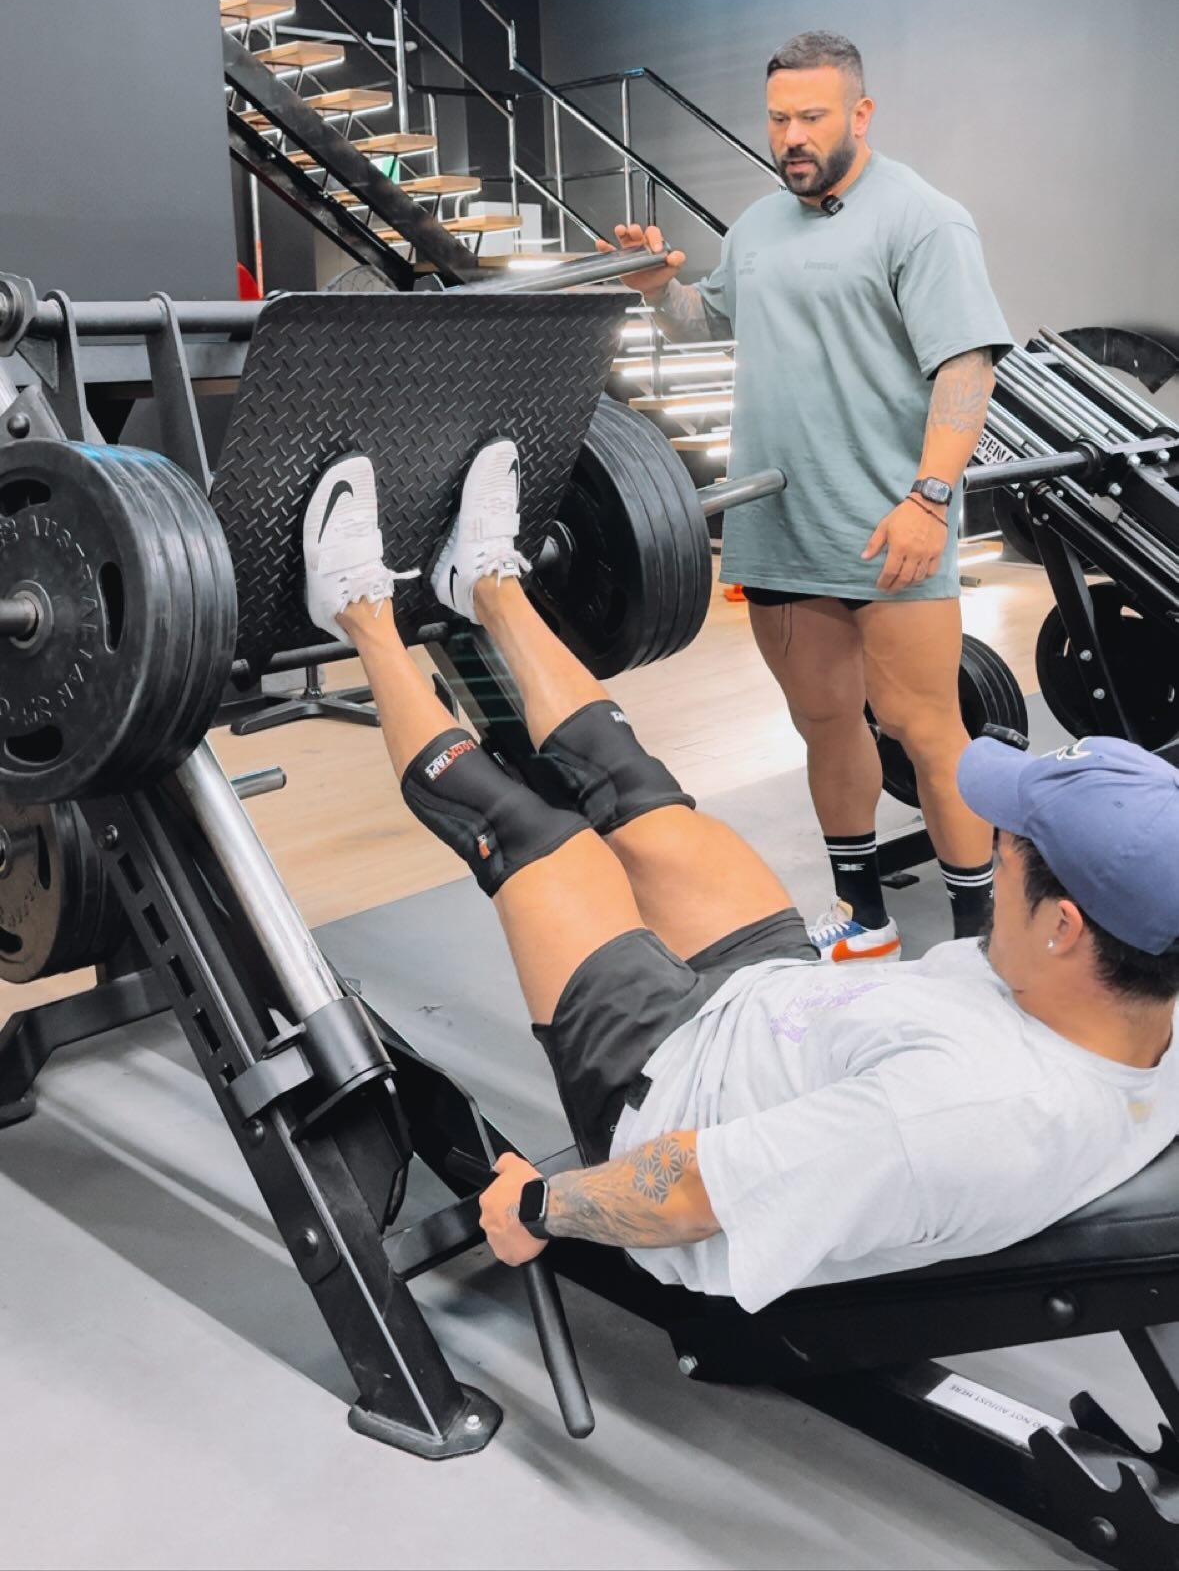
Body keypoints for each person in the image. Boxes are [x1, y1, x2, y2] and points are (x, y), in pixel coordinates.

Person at [302, 440, 1179, 1311]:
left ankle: (360, 616)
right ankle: (489, 587)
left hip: (662, 1087)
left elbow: (684, 1193)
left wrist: (536, 1205)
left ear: (1066, 926)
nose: (992, 850)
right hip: (784, 1013)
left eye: (1011, 851)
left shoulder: (952, 1114)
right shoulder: (1138, 1004)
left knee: (533, 835)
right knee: (634, 787)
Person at [604, 30, 1014, 960]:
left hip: (888, 527)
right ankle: (864, 915)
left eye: (811, 117)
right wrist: (651, 283)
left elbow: (966, 364)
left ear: (859, 114)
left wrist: (929, 498)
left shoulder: (922, 218)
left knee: (925, 729)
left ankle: (975, 941)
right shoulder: (754, 227)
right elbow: (703, 316)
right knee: (824, 722)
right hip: (777, 523)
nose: (791, 135)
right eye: (779, 118)